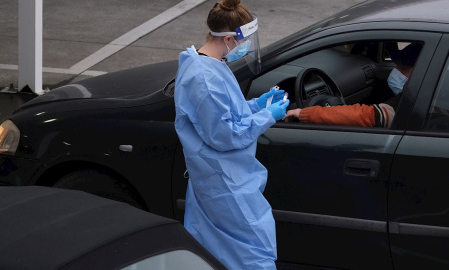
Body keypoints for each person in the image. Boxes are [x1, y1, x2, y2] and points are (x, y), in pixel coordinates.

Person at [173, 0, 289, 269]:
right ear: (228, 38)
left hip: (220, 179)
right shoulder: (204, 78)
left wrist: (258, 104)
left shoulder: (209, 65)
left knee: (216, 253)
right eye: (243, 41)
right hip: (226, 182)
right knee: (256, 253)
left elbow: (225, 113)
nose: (245, 47)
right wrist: (268, 116)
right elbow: (225, 135)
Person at [283, 42, 422, 127]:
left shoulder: (411, 104)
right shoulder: (436, 92)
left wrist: (304, 113)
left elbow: (365, 116)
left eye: (404, 69)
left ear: (423, 71)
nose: (396, 72)